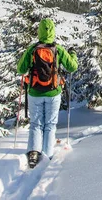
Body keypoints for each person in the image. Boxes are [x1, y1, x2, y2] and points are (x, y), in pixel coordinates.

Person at [17, 18, 78, 168]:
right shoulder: (57, 49)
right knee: (50, 124)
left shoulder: (32, 49)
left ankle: (33, 153)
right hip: (53, 92)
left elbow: (21, 69)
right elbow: (72, 67)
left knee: (36, 124)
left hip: (34, 92)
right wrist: (73, 54)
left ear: (39, 32)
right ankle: (48, 154)